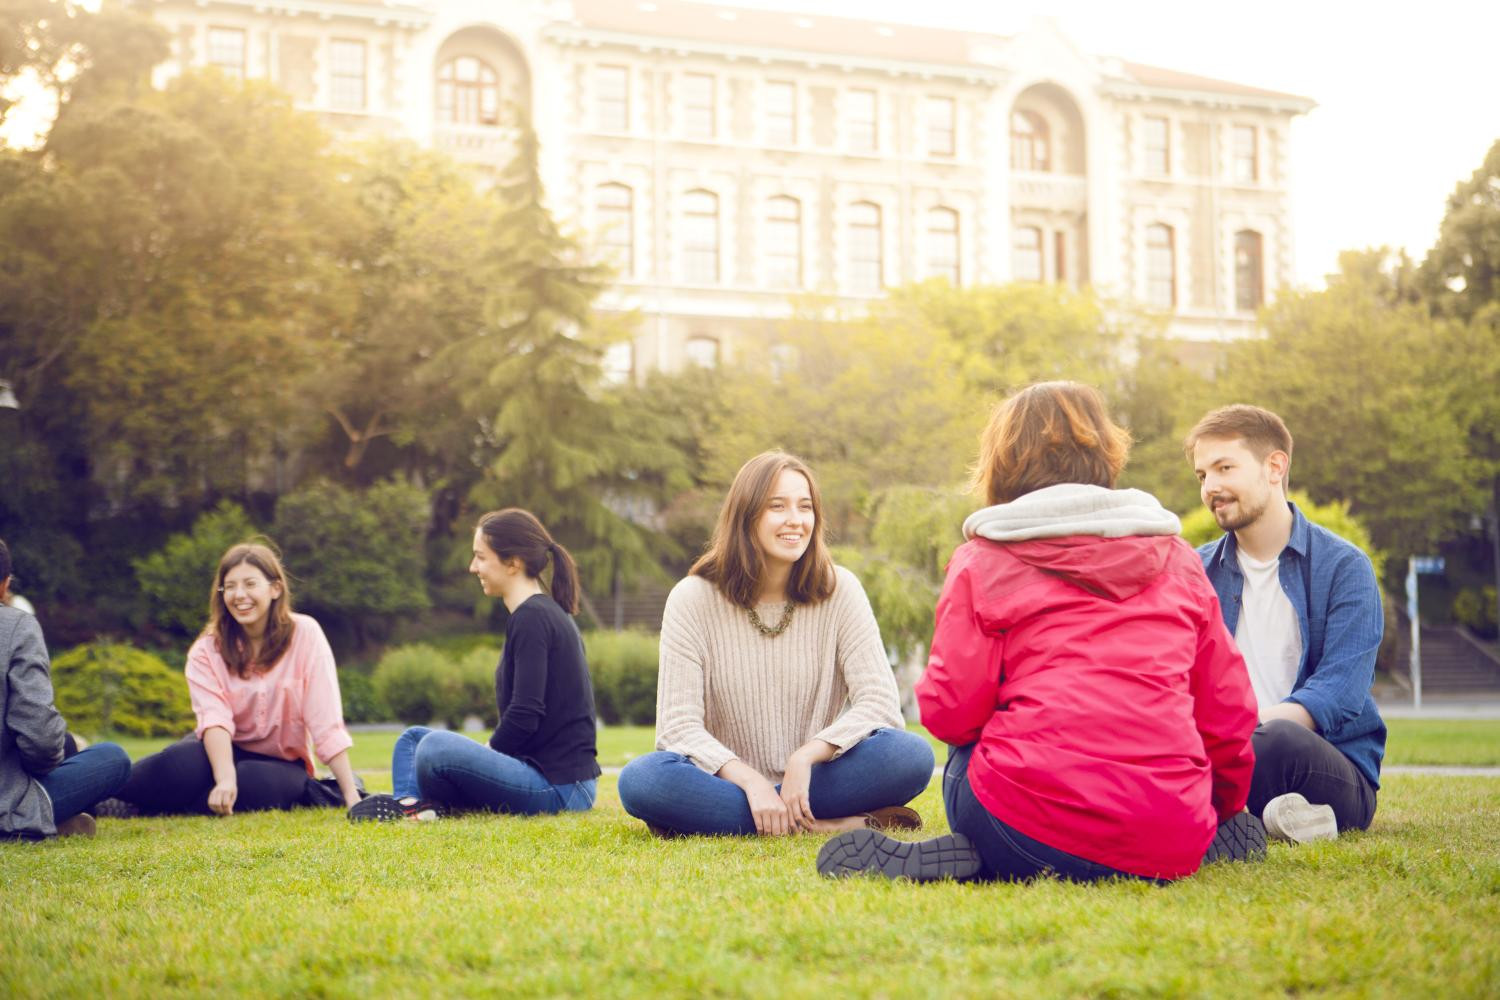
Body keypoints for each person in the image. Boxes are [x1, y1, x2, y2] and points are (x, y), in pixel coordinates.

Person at [818, 382, 1260, 883]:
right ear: (1105, 450)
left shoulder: (983, 561)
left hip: (1027, 829)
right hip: (1168, 836)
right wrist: (1222, 805)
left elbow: (951, 713)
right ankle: (1192, 836)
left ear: (1003, 461)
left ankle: (979, 855)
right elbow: (1226, 711)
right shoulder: (1179, 560)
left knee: (968, 752)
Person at [617, 451, 934, 838]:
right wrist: (752, 782)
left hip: (815, 782)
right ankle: (820, 826)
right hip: (727, 782)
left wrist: (805, 757)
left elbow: (879, 705)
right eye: (777, 506)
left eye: (805, 507)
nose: (795, 521)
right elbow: (679, 728)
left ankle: (725, 821)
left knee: (910, 756)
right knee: (641, 781)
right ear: (746, 515)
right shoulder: (692, 598)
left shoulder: (841, 590)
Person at [1186, 404, 1385, 843]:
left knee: (1275, 741)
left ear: (1274, 467)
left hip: (1322, 761)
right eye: (1203, 475)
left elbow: (1339, 692)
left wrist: (1237, 734)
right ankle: (1273, 819)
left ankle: (1215, 816)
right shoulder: (1193, 571)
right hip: (1218, 753)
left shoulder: (1345, 567)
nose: (1211, 487)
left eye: (1224, 468)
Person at [350, 509, 599, 821]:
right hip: (547, 778)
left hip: (560, 787)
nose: (473, 567)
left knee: (436, 747)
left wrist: (485, 752)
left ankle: (418, 806)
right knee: (413, 739)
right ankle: (414, 807)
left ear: (513, 563)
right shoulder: (536, 613)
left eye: (481, 557)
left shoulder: (533, 617)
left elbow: (525, 713)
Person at [112, 543, 362, 816]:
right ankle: (103, 793)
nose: (239, 595)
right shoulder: (207, 648)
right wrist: (225, 777)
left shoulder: (306, 634)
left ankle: (138, 810)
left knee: (253, 783)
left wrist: (352, 797)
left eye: (250, 584)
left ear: (275, 588)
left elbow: (324, 720)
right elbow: (214, 717)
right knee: (180, 764)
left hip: (282, 762)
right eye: (229, 587)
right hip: (221, 748)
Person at [1, 537, 131, 838]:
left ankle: (57, 820)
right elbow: (41, 740)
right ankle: (41, 821)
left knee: (68, 744)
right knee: (113, 758)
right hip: (7, 804)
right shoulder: (15, 627)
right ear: (6, 584)